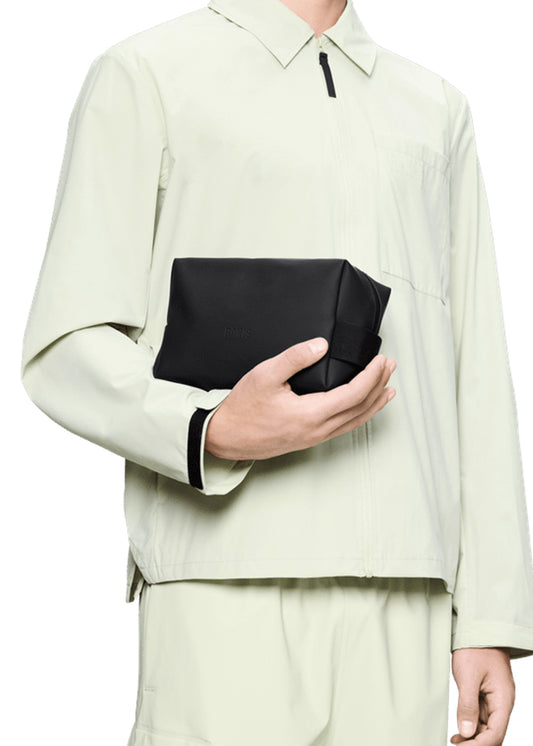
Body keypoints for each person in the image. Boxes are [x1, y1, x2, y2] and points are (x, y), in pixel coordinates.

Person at [20, 0, 533, 744]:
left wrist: (489, 616)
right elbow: (67, 340)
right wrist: (207, 428)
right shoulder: (148, 73)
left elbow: (475, 367)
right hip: (223, 578)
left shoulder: (435, 108)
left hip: (405, 591)